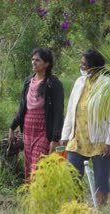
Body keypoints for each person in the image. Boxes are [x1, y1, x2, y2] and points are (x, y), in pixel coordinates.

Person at [61, 49, 110, 205]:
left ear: (94, 67)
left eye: (84, 64)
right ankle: (77, 208)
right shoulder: (79, 82)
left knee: (101, 183)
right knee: (72, 178)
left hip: (99, 140)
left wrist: (109, 142)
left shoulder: (106, 85)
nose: (81, 67)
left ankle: (100, 209)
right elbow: (71, 110)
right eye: (81, 63)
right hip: (77, 139)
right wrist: (64, 136)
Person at [8, 48, 64, 182]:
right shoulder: (28, 80)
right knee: (28, 166)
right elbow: (22, 107)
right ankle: (31, 198)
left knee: (39, 167)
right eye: (32, 59)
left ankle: (39, 201)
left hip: (44, 130)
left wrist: (55, 138)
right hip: (28, 128)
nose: (34, 62)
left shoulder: (53, 84)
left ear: (47, 64)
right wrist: (12, 127)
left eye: (37, 60)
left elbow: (58, 112)